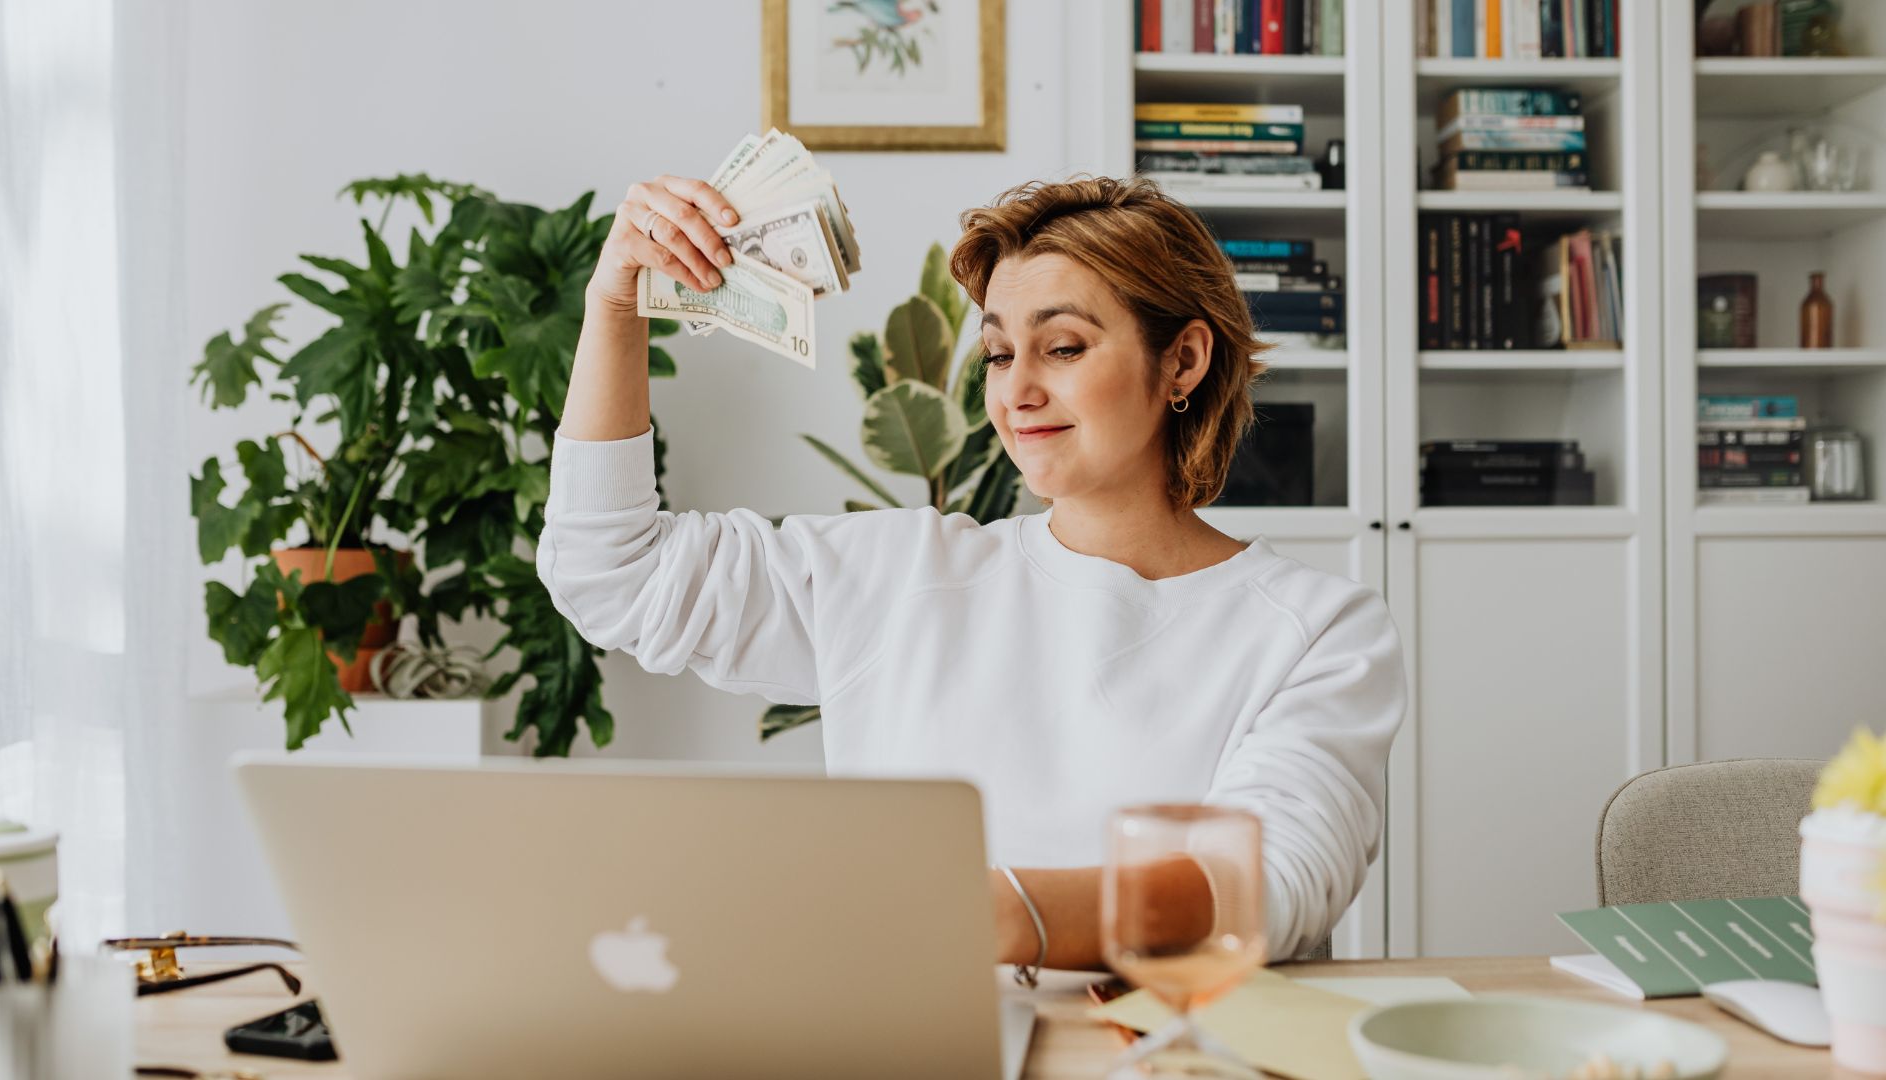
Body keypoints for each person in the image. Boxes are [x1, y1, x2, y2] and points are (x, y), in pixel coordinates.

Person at [538, 171, 1406, 972]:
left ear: (1182, 359)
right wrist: (615, 310)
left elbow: (1277, 883)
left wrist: (985, 912)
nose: (1016, 390)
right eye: (998, 354)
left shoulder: (1318, 629)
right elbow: (611, 572)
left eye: (1062, 347)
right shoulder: (897, 575)